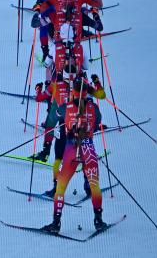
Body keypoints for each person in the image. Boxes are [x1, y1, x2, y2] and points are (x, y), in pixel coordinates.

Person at [43, 79, 107, 233]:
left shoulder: (66, 107)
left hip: (71, 149)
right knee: (95, 186)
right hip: (88, 149)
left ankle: (56, 223)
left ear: (74, 92)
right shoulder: (93, 107)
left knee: (60, 187)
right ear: (86, 92)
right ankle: (98, 220)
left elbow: (53, 117)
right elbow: (98, 121)